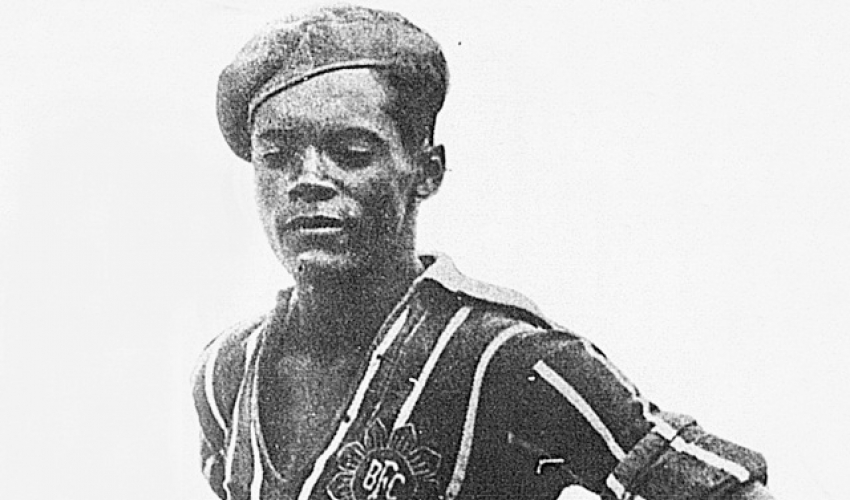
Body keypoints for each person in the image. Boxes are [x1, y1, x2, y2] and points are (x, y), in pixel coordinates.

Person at [193, 5, 774, 500]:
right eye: (276, 156)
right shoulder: (228, 371)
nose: (307, 181)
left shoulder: (508, 359)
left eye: (351, 152)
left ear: (426, 171)